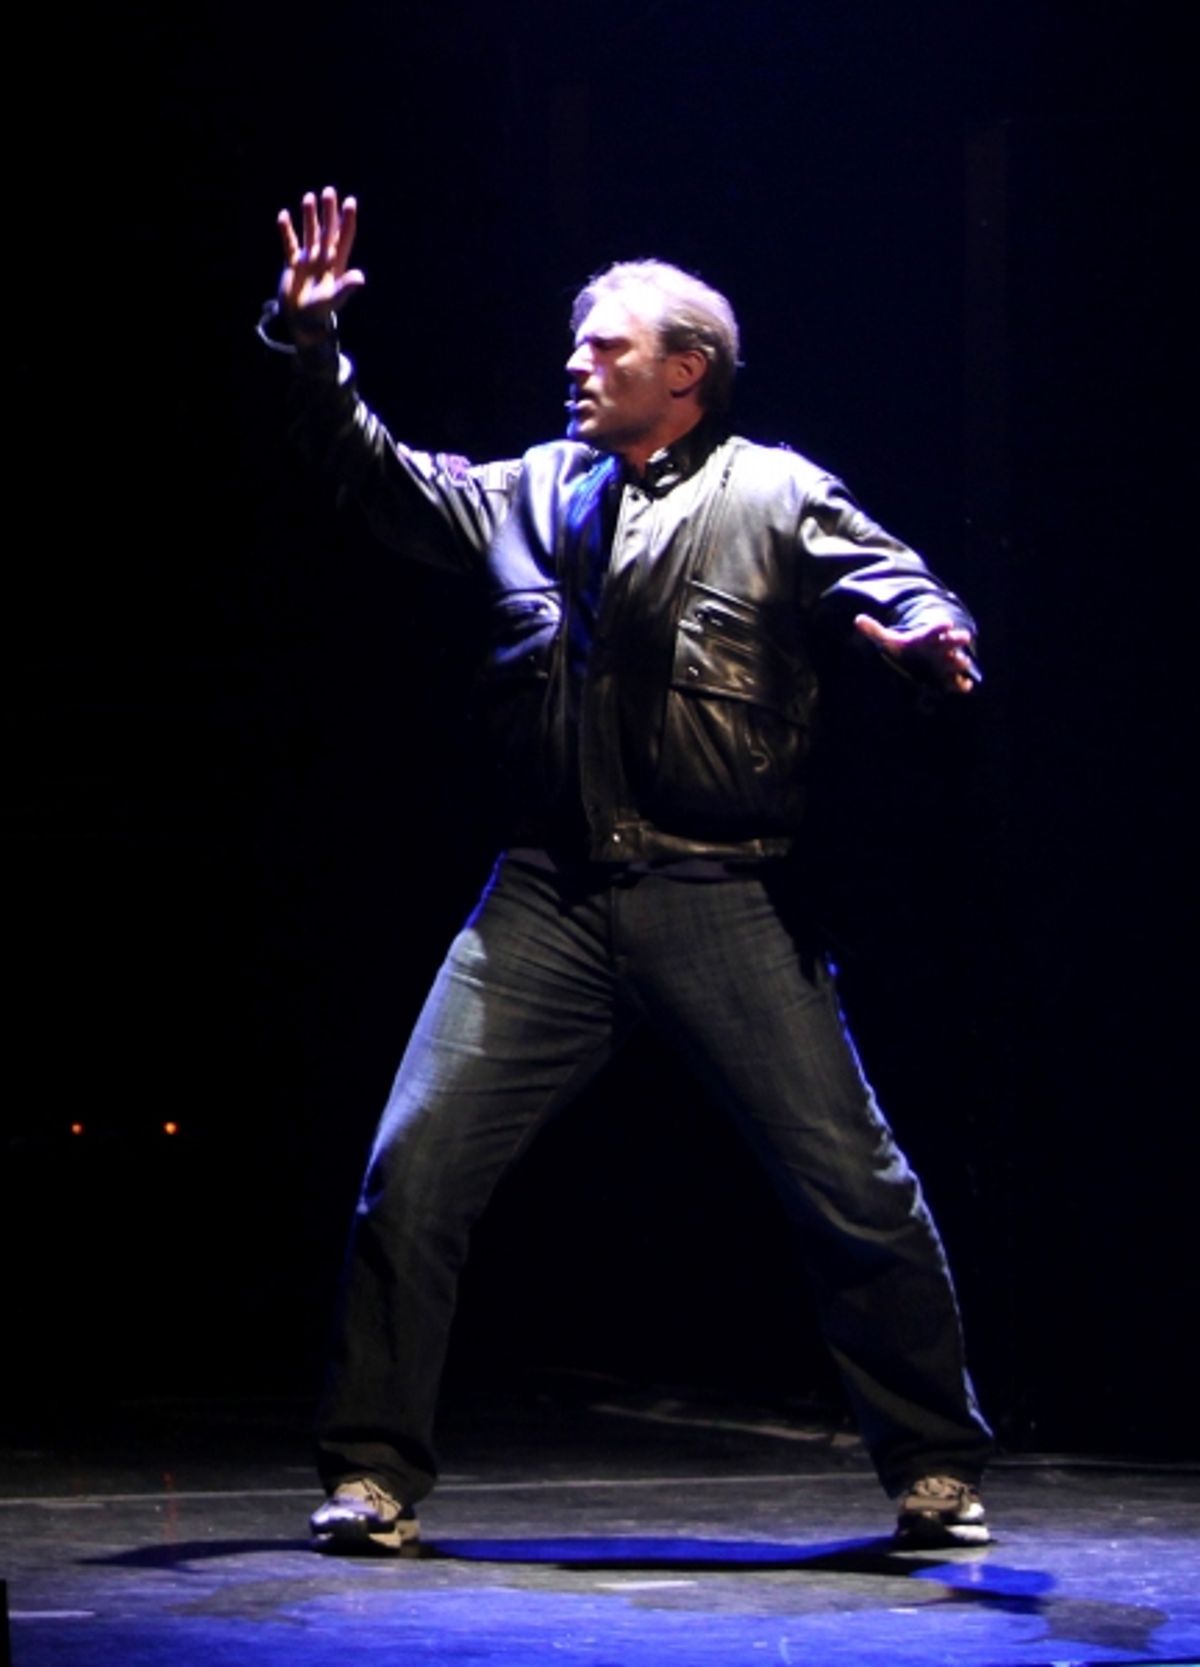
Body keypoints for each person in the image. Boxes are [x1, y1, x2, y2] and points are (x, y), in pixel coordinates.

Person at [261, 185, 994, 1555]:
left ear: (685, 371)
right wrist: (311, 346)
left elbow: (891, 580)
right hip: (545, 897)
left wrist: (922, 633)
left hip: (723, 892)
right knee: (413, 1171)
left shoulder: (774, 492)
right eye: (578, 343)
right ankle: (371, 1473)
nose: (577, 364)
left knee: (851, 1185)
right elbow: (377, 478)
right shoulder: (532, 492)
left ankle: (936, 1463)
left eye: (606, 348)